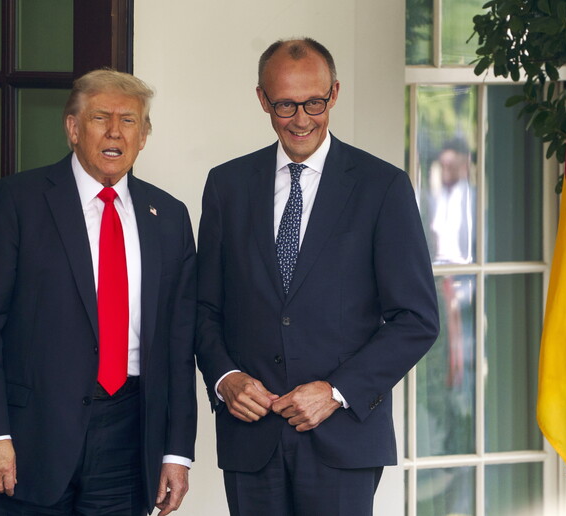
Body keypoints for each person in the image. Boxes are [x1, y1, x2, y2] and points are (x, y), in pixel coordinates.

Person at [195, 38, 440, 515]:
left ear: (335, 93)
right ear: (263, 99)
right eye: (285, 104)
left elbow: (416, 320)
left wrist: (335, 392)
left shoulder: (382, 186)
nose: (302, 119)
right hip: (251, 440)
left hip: (343, 439)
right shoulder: (227, 185)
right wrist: (225, 378)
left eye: (314, 102)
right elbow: (204, 307)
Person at [0, 68, 197, 515]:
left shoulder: (169, 217)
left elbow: (180, 344)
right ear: (72, 128)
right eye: (101, 117)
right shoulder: (14, 201)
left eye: (129, 120)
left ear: (144, 136)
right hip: (27, 439)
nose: (114, 132)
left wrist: (176, 453)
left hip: (129, 441)